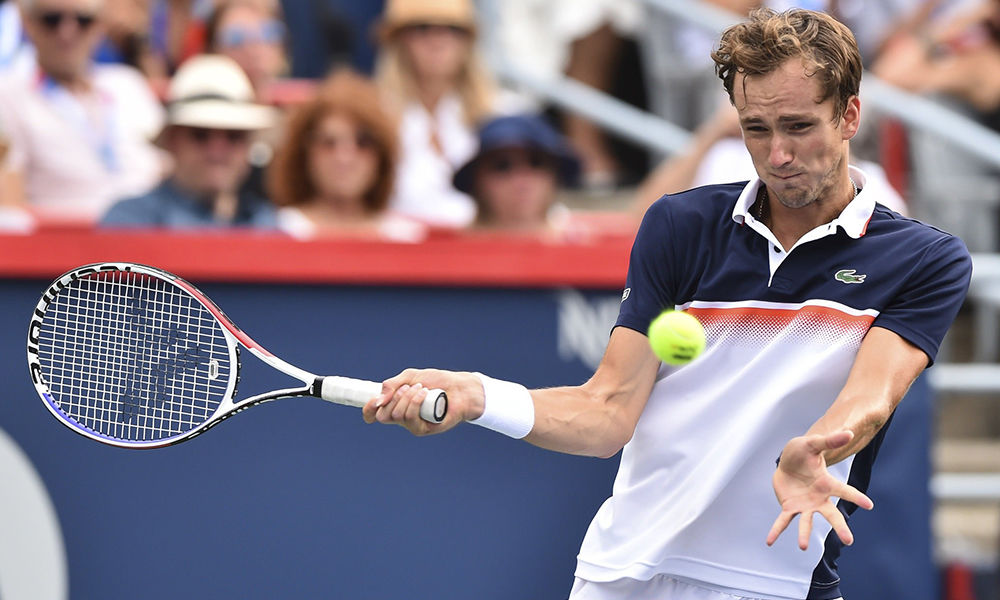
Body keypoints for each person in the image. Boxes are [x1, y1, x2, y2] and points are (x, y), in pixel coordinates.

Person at [361, 8, 973, 600]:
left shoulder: (924, 259)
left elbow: (870, 397)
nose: (778, 154)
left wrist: (821, 447)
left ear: (849, 115)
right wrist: (478, 397)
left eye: (798, 126)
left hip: (777, 580)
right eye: (755, 129)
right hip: (622, 573)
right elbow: (607, 413)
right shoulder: (679, 226)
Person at [0, 0, 164, 225]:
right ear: (28, 24)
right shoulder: (10, 96)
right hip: (68, 248)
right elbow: (10, 211)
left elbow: (169, 170)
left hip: (157, 235)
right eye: (52, 20)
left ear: (100, 26)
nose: (67, 32)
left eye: (83, 20)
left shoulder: (128, 84)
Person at [100, 54, 276, 229]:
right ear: (172, 141)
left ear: (248, 146)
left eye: (233, 136)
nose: (217, 149)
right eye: (200, 134)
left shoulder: (266, 223)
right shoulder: (130, 220)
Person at [374, 0, 501, 228]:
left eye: (453, 29)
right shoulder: (374, 114)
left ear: (467, 42)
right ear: (399, 40)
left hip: (482, 250)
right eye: (422, 28)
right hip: (398, 253)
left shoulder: (499, 113)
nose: (438, 40)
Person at [268, 70, 421, 240]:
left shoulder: (406, 237)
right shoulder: (277, 230)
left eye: (363, 143)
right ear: (304, 153)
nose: (344, 157)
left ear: (383, 155)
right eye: (328, 143)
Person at [452, 113, 581, 236]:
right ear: (477, 179)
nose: (521, 181)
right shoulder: (450, 251)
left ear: (555, 174)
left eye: (536, 162)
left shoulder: (581, 245)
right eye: (502, 166)